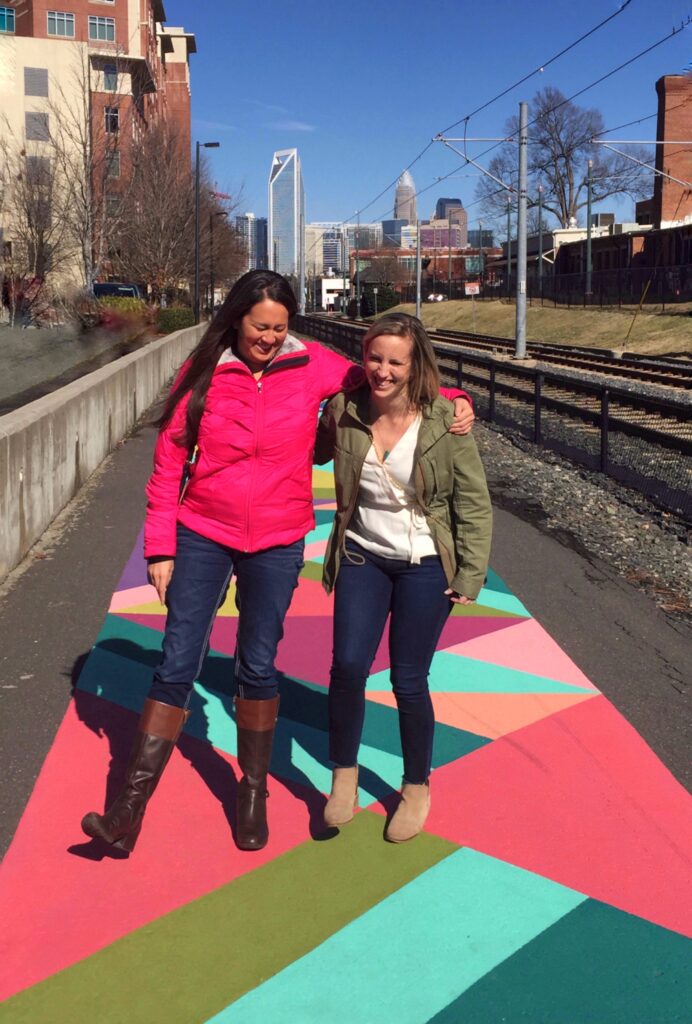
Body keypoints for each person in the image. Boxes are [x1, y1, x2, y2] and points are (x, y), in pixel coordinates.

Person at [81, 271, 474, 853]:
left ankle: (251, 795)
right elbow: (168, 462)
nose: (268, 338)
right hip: (203, 532)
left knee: (258, 665)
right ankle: (127, 811)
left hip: (277, 539)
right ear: (235, 319)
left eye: (279, 328)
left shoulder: (311, 364)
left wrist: (452, 401)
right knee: (176, 661)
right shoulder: (205, 372)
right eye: (259, 326)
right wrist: (159, 546)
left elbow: (385, 378)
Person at [315, 312, 492, 842]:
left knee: (408, 678)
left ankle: (416, 785)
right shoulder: (345, 409)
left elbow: (474, 503)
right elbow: (312, 447)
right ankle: (342, 776)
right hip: (363, 555)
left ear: (416, 367)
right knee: (347, 666)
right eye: (374, 357)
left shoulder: (444, 420)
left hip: (425, 565)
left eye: (396, 361)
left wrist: (471, 572)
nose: (383, 370)